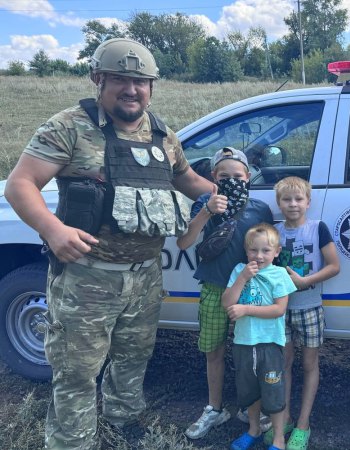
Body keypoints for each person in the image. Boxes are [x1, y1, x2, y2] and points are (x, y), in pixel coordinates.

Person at [4, 38, 213, 449]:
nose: (131, 89)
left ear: (152, 86)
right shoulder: (69, 127)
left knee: (134, 358)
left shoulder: (163, 135)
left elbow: (187, 180)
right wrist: (53, 230)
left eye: (140, 81)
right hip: (87, 279)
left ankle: (121, 417)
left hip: (145, 277)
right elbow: (20, 184)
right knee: (77, 371)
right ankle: (71, 441)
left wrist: (224, 197)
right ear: (98, 79)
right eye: (120, 79)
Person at [177, 147, 274, 439]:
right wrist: (208, 211)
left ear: (248, 177)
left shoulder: (259, 208)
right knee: (214, 351)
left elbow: (269, 251)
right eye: (225, 176)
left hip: (251, 292)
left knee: (250, 352)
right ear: (214, 178)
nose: (232, 181)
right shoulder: (205, 203)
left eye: (238, 176)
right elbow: (184, 242)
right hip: (215, 287)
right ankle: (214, 408)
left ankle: (251, 407)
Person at [268, 176, 340, 449]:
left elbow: (334, 266)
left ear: (308, 202)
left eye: (299, 199)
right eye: (286, 199)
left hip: (309, 307)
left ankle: (303, 423)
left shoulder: (317, 228)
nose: (293, 204)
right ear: (279, 203)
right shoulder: (274, 232)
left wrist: (305, 282)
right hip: (280, 309)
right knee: (283, 363)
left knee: (309, 365)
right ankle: (284, 417)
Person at [222, 223, 297, 450]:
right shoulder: (239, 271)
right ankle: (253, 429)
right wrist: (243, 278)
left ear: (276, 252)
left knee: (273, 392)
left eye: (266, 250)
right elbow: (226, 302)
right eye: (254, 250)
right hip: (243, 343)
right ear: (246, 251)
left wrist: (246, 310)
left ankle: (278, 438)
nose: (259, 255)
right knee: (250, 391)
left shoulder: (279, 274)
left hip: (270, 344)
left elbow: (278, 309)